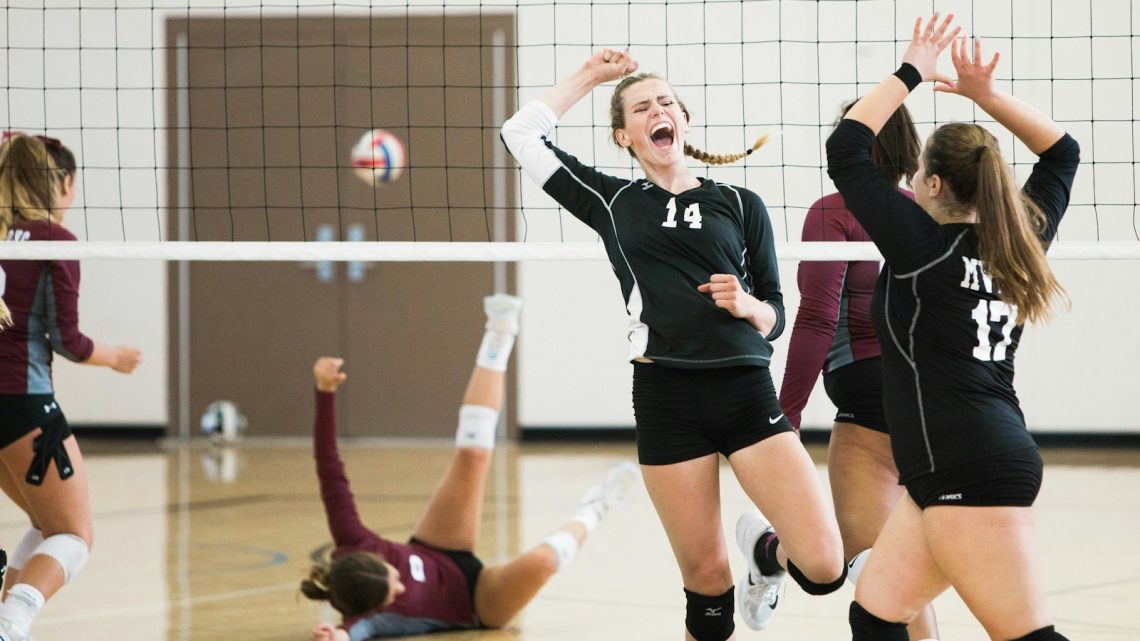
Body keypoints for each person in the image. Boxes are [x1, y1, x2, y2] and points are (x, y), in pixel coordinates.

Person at [501, 50, 846, 641]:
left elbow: (778, 316)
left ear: (683, 119)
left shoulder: (740, 203)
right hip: (667, 398)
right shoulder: (612, 201)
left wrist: (748, 305)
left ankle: (766, 555)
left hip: (744, 390)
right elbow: (520, 133)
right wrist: (594, 76)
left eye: (666, 102)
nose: (658, 110)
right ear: (624, 135)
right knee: (708, 588)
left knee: (823, 567)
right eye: (641, 107)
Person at [826, 14, 1079, 641]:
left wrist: (913, 67)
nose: (911, 183)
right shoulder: (1020, 239)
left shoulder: (922, 246)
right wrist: (984, 96)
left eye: (918, 176)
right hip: (954, 464)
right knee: (877, 616)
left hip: (968, 464)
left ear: (934, 184)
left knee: (1025, 636)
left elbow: (846, 148)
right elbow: (1063, 153)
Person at [303, 294, 638, 641]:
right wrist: (335, 637)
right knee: (543, 562)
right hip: (477, 602)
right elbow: (352, 632)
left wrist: (324, 392)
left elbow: (328, 467)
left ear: (371, 558)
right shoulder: (369, 616)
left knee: (473, 456)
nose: (401, 586)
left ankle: (500, 329)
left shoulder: (351, 537)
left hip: (435, 549)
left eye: (393, 576)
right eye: (395, 593)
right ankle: (597, 505)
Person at [779, 102, 939, 640]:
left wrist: (785, 417)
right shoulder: (928, 209)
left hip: (869, 396)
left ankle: (767, 553)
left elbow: (818, 317)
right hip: (938, 399)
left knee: (870, 569)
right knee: (897, 575)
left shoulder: (834, 210)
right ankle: (768, 553)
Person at [0, 132, 143, 641]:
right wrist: (116, 358)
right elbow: (69, 340)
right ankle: (11, 625)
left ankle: (5, 619)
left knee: (46, 523)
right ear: (60, 182)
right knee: (74, 534)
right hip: (23, 406)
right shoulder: (53, 239)